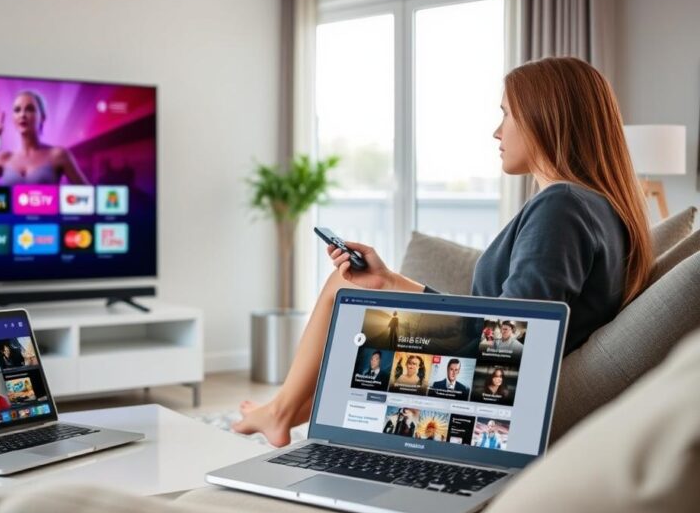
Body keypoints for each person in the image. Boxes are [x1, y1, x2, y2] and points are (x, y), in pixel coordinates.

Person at [235, 57, 653, 447]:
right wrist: (389, 281)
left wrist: (413, 322)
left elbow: (509, 340)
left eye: (507, 114)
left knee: (343, 290)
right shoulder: (596, 207)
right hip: (484, 368)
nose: (497, 132)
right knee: (357, 288)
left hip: (486, 385)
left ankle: (281, 412)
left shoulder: (562, 206)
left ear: (546, 118)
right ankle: (283, 410)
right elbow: (501, 318)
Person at [0, 91, 88, 186]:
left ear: (42, 117)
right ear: (13, 118)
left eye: (30, 109)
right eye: (17, 110)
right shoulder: (4, 158)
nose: (22, 115)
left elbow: (89, 197)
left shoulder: (59, 155)